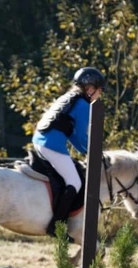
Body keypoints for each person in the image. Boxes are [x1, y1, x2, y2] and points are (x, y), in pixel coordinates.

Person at [32, 67, 105, 237]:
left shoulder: (68, 98)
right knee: (75, 182)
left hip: (40, 141)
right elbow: (80, 134)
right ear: (90, 89)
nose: (100, 94)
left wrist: (88, 151)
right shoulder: (83, 105)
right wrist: (95, 151)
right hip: (52, 146)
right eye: (99, 90)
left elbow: (71, 133)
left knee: (70, 176)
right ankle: (56, 226)